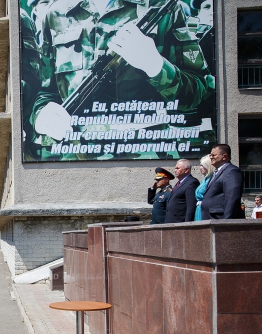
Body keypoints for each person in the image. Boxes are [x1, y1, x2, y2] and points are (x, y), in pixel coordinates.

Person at [26, 0, 215, 160]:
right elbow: (46, 91)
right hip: (76, 160)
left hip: (144, 158)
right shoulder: (56, 13)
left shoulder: (161, 6)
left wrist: (155, 66)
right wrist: (42, 113)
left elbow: (198, 89)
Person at [201, 144, 245, 219]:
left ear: (224, 156)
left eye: (213, 155)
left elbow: (232, 199)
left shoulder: (231, 172)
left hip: (219, 219)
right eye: (210, 155)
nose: (211, 157)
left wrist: (226, 223)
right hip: (210, 218)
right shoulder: (217, 172)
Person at [194, 155, 214, 221]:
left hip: (205, 210)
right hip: (199, 209)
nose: (200, 168)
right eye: (200, 165)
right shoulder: (204, 180)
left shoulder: (212, 179)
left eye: (202, 165)